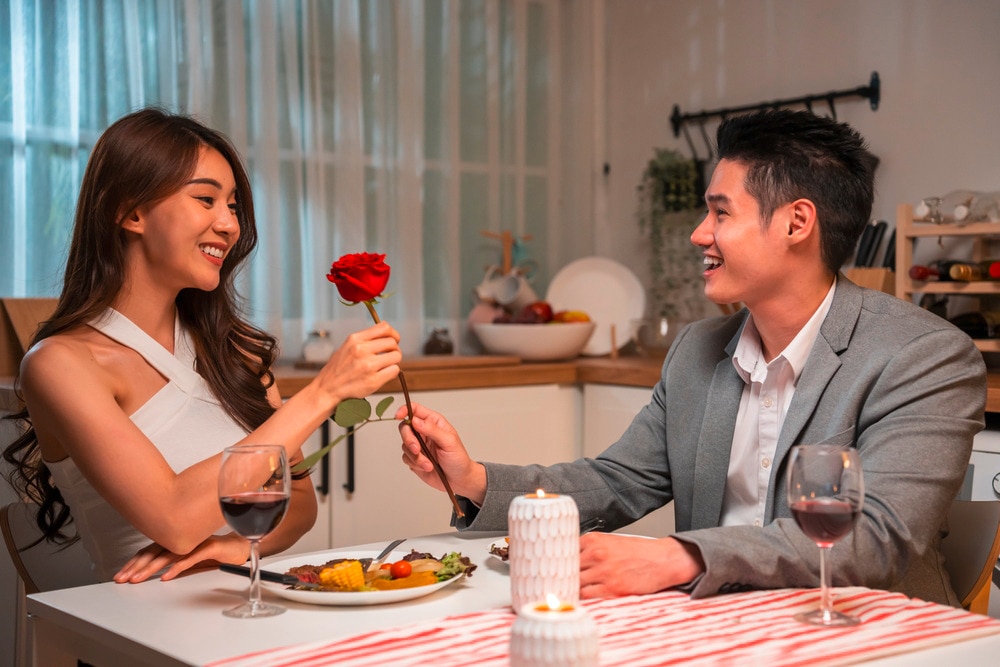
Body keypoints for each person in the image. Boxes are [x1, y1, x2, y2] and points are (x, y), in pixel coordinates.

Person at [398, 109, 987, 606]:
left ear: (796, 223)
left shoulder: (925, 357)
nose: (699, 233)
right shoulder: (697, 350)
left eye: (721, 212)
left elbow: (875, 539)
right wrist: (472, 480)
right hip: (715, 628)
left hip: (865, 635)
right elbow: (618, 482)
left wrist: (677, 556)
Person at [3, 108, 402, 584]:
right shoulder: (61, 365)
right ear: (130, 212)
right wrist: (323, 394)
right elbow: (173, 519)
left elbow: (298, 507)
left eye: (232, 205)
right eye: (206, 199)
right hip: (138, 631)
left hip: (249, 605)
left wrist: (229, 548)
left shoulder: (237, 353)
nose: (229, 224)